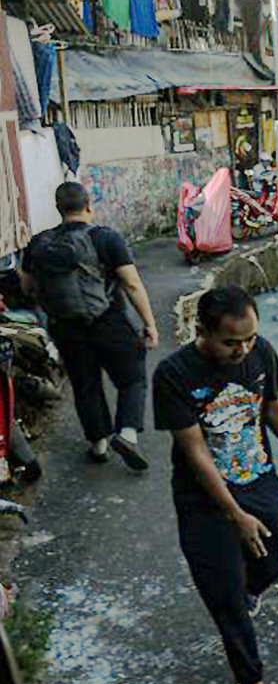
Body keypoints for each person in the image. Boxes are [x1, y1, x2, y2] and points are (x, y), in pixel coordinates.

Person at [153, 286, 278, 684]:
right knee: (224, 598)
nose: (244, 349)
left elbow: (270, 409)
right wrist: (235, 515)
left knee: (274, 561)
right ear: (202, 332)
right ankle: (250, 678)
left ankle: (252, 587)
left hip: (259, 480)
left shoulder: (260, 352)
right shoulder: (174, 375)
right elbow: (194, 451)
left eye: (250, 339)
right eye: (232, 342)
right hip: (205, 499)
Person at [21, 181, 159, 470]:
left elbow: (28, 287)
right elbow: (132, 284)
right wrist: (149, 323)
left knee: (86, 385)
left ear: (59, 209)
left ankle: (98, 444)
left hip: (65, 326)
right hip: (107, 320)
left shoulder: (39, 243)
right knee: (132, 377)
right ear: (88, 206)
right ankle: (127, 434)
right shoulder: (105, 238)